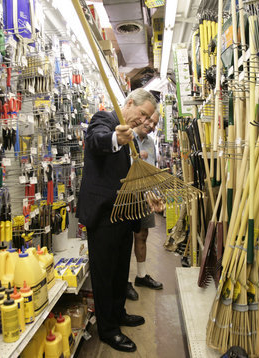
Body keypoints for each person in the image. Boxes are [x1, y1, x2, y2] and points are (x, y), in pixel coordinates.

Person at [77, 88, 157, 352]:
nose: (143, 120)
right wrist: (115, 138)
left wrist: (147, 195)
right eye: (142, 114)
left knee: (121, 270)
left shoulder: (133, 139)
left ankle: (118, 313)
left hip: (123, 214)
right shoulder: (105, 120)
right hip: (103, 215)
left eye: (148, 118)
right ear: (130, 103)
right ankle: (108, 329)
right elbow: (97, 140)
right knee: (105, 273)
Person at [126, 110, 163, 302]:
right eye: (149, 120)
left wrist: (155, 194)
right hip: (126, 196)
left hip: (146, 195)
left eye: (155, 123)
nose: (151, 125)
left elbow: (152, 169)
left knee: (142, 234)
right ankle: (123, 282)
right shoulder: (127, 136)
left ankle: (141, 276)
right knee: (123, 240)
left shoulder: (150, 142)